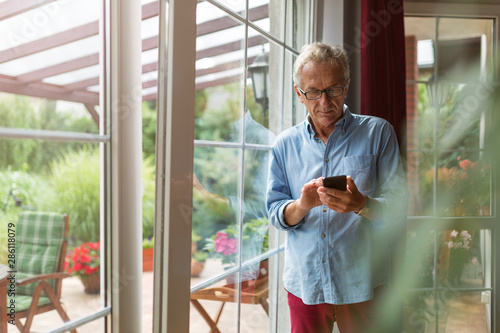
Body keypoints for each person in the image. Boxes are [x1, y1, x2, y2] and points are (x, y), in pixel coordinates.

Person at [266, 42, 407, 333]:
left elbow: (400, 208)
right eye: (313, 92)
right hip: (306, 284)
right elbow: (275, 213)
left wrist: (361, 205)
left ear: (347, 86)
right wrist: (302, 205)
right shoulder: (284, 145)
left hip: (365, 283)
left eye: (333, 89)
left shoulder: (379, 132)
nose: (325, 102)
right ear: (299, 94)